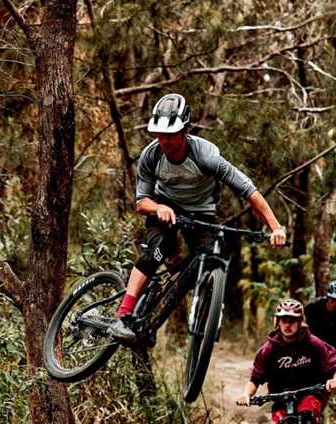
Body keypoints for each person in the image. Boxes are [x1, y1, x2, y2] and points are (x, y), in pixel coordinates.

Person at [108, 93, 286, 342]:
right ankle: (123, 315)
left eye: (171, 135)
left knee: (208, 258)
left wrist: (275, 227)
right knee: (158, 250)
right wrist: (158, 208)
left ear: (184, 131)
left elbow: (248, 190)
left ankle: (166, 317)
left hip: (202, 212)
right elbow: (141, 202)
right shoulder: (151, 156)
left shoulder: (206, 156)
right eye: (160, 135)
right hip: (164, 207)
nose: (165, 141)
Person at [236, 299, 336, 424]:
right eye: (283, 320)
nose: (287, 324)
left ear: (300, 321)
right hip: (281, 399)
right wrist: (246, 395)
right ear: (277, 322)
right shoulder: (269, 350)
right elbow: (254, 380)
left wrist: (335, 380)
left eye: (292, 320)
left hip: (309, 393)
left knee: (307, 415)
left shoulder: (314, 344)